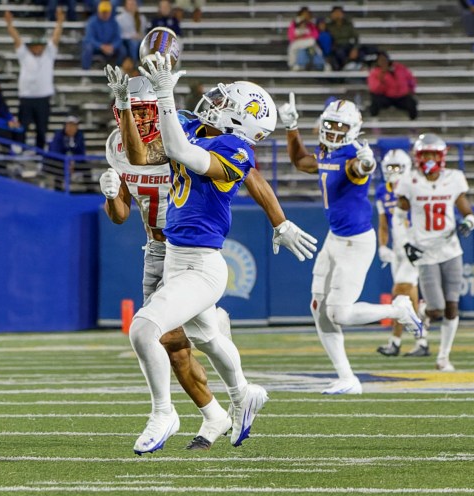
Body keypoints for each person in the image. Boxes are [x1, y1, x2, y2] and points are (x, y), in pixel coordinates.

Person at [107, 58, 317, 454]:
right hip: (174, 256)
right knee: (207, 335)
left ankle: (163, 412)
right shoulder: (192, 128)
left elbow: (179, 151)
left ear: (240, 120)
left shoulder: (234, 149)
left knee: (143, 329)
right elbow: (140, 156)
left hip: (202, 266)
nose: (213, 100)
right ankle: (243, 394)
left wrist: (166, 94)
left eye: (225, 100)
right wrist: (123, 107)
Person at [278, 94, 423, 395]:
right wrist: (291, 126)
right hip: (335, 238)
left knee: (339, 314)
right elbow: (299, 161)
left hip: (355, 243)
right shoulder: (327, 151)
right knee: (318, 307)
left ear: (354, 129)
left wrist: (367, 164)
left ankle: (399, 309)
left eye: (339, 127)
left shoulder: (352, 154)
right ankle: (347, 377)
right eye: (329, 124)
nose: (332, 131)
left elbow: (359, 169)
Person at [393, 133, 474, 372]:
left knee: (452, 306)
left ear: (441, 156)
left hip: (450, 251)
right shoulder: (409, 181)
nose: (429, 158)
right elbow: (399, 216)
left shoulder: (454, 179)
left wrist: (469, 223)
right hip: (426, 252)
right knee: (436, 309)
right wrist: (405, 242)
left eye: (433, 154)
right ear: (418, 157)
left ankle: (443, 357)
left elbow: (468, 212)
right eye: (425, 154)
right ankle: (422, 311)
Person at [375, 149, 430, 358]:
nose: (394, 171)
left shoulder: (415, 185)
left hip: (412, 244)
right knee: (408, 298)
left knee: (400, 292)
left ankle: (397, 341)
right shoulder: (382, 191)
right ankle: (419, 340)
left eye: (397, 167)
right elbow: (383, 224)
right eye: (390, 167)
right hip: (397, 247)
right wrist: (382, 246)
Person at [4, 7, 63, 151]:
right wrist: (9, 25)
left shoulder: (49, 54)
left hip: (43, 97)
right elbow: (16, 39)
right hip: (27, 97)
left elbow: (55, 38)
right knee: (22, 125)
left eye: (39, 46)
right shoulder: (25, 54)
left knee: (42, 127)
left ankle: (39, 150)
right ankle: (19, 148)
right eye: (34, 46)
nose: (37, 49)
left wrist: (60, 22)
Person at [367, 51, 418, 121]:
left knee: (412, 103)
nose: (383, 62)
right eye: (380, 60)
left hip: (401, 96)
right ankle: (374, 123)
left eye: (384, 60)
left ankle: (413, 125)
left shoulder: (399, 68)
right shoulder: (375, 72)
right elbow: (374, 88)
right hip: (386, 96)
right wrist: (381, 78)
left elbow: (410, 79)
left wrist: (411, 89)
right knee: (375, 102)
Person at [81, 0, 127, 70]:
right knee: (88, 48)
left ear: (110, 12)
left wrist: (112, 46)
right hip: (96, 47)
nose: (105, 14)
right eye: (103, 12)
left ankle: (117, 70)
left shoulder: (114, 22)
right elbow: (89, 38)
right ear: (99, 12)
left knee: (122, 50)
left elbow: (118, 38)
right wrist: (101, 46)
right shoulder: (92, 21)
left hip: (110, 47)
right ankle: (85, 71)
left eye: (107, 12)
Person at [287, 6, 322, 71]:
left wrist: (303, 36)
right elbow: (291, 37)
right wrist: (300, 36)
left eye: (307, 14)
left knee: (311, 45)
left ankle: (319, 65)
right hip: (297, 43)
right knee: (296, 48)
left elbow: (315, 36)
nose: (305, 16)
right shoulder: (294, 23)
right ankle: (294, 64)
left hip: (308, 44)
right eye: (304, 14)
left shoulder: (311, 24)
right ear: (300, 15)